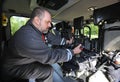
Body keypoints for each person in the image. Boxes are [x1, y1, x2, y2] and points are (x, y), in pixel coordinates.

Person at [1, 7, 82, 82]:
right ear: (37, 21)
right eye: (48, 22)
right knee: (48, 71)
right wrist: (73, 52)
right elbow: (50, 56)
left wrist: (67, 42)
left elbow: (54, 39)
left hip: (22, 60)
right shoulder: (28, 36)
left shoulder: (39, 31)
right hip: (13, 67)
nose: (50, 25)